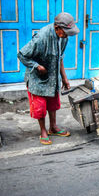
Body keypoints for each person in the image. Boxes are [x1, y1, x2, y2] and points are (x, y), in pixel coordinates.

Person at [18, 12, 79, 145]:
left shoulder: (64, 37)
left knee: (53, 104)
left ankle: (53, 127)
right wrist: (36, 66)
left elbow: (60, 58)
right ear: (57, 27)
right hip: (37, 79)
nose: (67, 35)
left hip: (52, 77)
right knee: (40, 108)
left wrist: (65, 78)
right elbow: (22, 54)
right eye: (65, 31)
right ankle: (43, 131)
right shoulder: (41, 37)